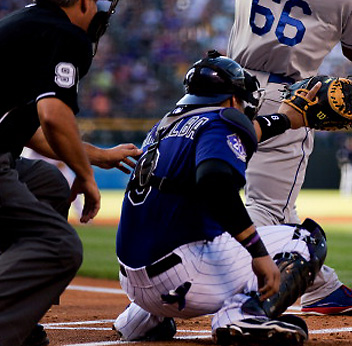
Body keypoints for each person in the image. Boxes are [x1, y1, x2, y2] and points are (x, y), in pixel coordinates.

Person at [228, 0, 352, 314]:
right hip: (285, 99)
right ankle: (234, 292)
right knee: (265, 207)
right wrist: (332, 1)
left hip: (225, 90)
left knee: (270, 202)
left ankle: (318, 286)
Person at [113, 51, 328, 345]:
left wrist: (287, 119)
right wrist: (259, 253)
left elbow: (242, 130)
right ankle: (243, 315)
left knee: (180, 215)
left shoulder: (164, 127)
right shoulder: (221, 121)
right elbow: (215, 183)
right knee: (307, 239)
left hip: (133, 282)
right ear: (230, 101)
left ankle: (140, 320)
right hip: (183, 278)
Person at [0, 0, 142, 346]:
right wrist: (85, 176)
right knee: (60, 246)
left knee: (46, 182)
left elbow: (26, 130)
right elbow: (53, 114)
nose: (100, 15)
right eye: (99, 4)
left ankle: (21, 316)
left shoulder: (25, 24)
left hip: (5, 154)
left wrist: (95, 156)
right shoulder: (67, 35)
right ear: (84, 0)